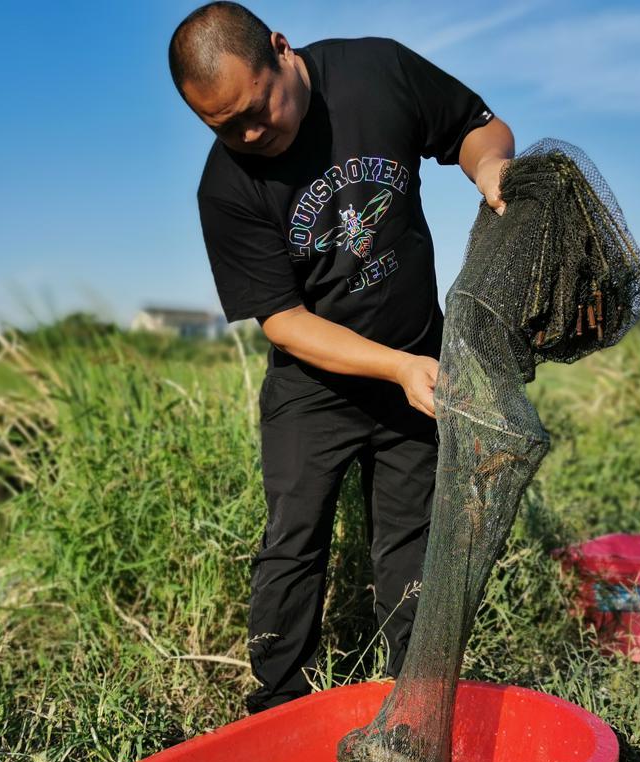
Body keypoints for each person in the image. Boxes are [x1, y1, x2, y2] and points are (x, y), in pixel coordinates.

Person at [168, 3, 515, 713]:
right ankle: (280, 700)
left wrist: (493, 172)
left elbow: (478, 130)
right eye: (224, 125)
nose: (251, 133)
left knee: (411, 540)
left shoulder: (375, 72)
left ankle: (415, 704)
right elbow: (286, 323)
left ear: (281, 49)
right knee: (293, 540)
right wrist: (393, 367)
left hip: (421, 361)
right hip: (315, 385)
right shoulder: (225, 188)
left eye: (257, 108)